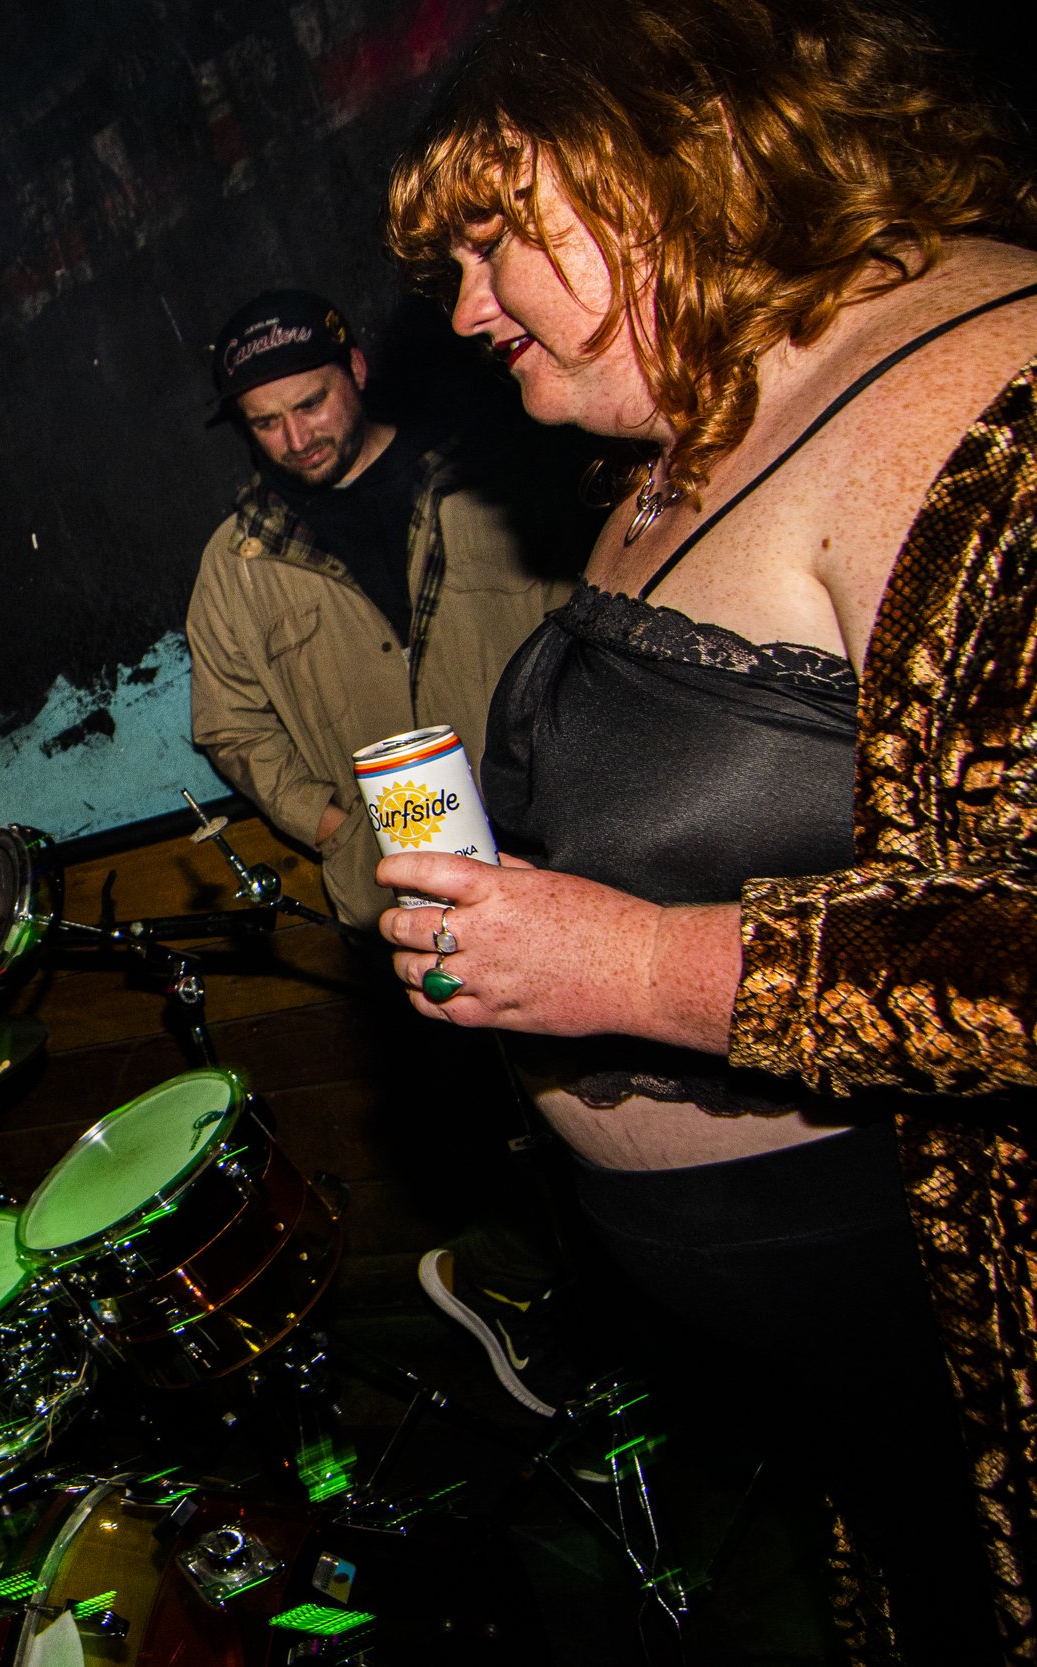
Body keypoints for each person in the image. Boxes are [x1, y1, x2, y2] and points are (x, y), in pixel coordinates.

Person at [380, 0, 1036, 1655]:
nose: (464, 308)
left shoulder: (985, 393)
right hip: (854, 1401)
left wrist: (638, 965)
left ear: (660, 161)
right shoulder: (698, 424)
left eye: (488, 238)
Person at [185, 288, 572, 928]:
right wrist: (335, 828)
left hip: (555, 862)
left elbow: (589, 632)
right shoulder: (236, 565)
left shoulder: (491, 484)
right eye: (265, 422)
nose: (296, 437)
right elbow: (231, 729)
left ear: (357, 370)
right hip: (394, 906)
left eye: (311, 403)